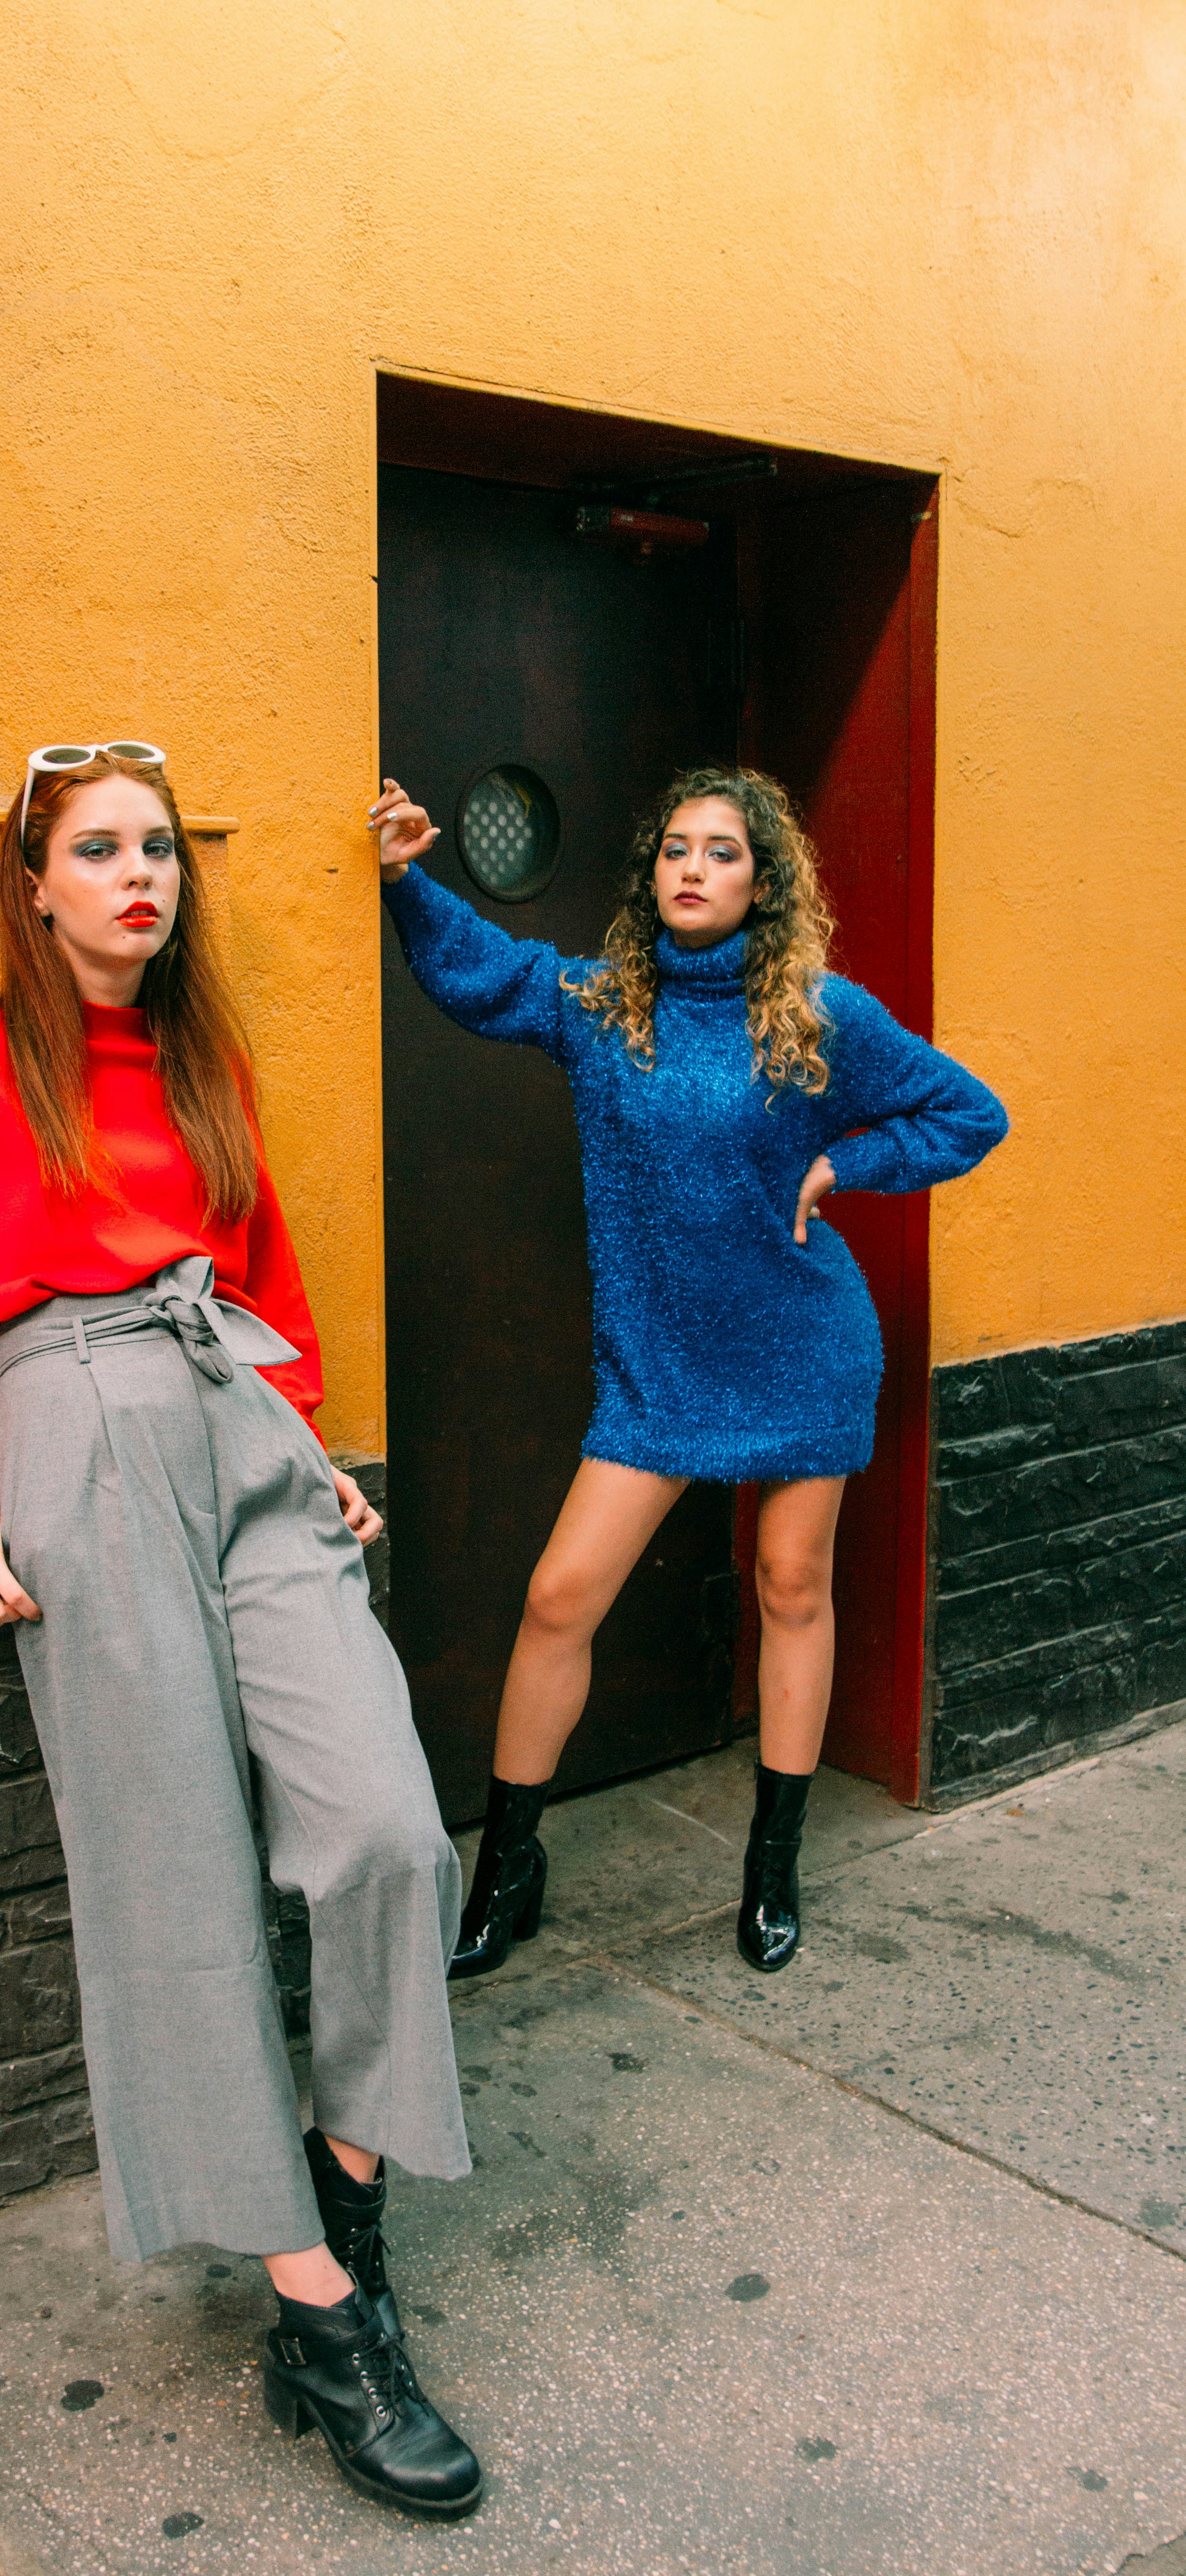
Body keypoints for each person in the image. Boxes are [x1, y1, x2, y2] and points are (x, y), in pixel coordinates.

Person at [0, 743, 481, 2520]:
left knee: (387, 1832)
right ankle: (322, 2312)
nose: (140, 875)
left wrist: (306, 1444)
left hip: (242, 1427)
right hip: (76, 1430)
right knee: (173, 1877)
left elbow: (265, 1273)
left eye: (160, 850)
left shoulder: (205, 1062)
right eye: (99, 849)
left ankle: (341, 2195)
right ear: (35, 883)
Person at [375, 765, 1007, 1978]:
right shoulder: (602, 1007)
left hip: (802, 1343)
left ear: (763, 883)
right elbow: (481, 974)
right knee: (560, 1598)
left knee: (790, 1583)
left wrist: (844, 1167)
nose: (693, 869)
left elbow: (967, 1114)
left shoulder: (820, 1014)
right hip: (659, 1367)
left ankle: (772, 1867)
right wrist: (406, 879)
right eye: (675, 848)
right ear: (651, 871)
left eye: (722, 852)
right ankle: (509, 1869)